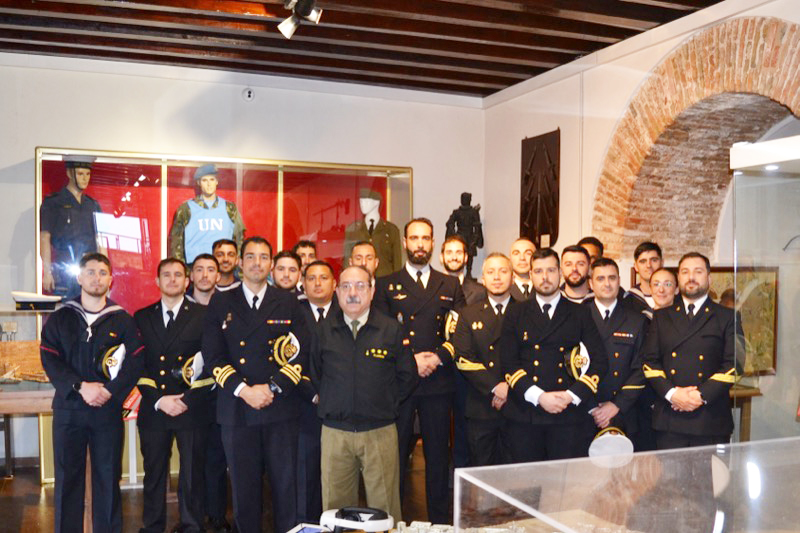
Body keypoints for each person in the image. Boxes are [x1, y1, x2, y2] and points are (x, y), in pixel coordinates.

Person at [202, 236, 312, 533]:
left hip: (280, 408)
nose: (257, 263)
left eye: (264, 257)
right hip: (237, 409)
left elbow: (301, 352)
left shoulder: (288, 301)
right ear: (240, 262)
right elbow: (213, 355)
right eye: (250, 257)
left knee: (286, 489)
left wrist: (272, 387)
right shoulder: (221, 301)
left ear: (271, 264)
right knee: (244, 490)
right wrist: (245, 390)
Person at [40, 252, 144, 533]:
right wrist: (80, 386)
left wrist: (110, 391)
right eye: (90, 272)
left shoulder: (122, 320)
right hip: (69, 409)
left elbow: (136, 361)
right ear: (79, 277)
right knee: (67, 481)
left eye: (102, 273)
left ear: (110, 280)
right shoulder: (61, 317)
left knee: (108, 479)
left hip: (106, 411)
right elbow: (49, 357)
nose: (96, 278)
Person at [373, 217, 465, 525]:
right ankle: (393, 522)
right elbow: (382, 334)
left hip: (438, 381)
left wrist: (438, 358)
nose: (420, 244)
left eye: (425, 238)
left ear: (433, 242)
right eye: (414, 238)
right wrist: (412, 362)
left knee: (437, 457)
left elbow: (460, 332)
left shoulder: (449, 284)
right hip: (401, 381)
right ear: (404, 243)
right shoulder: (386, 284)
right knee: (396, 456)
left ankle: (439, 523)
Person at [312, 265, 417, 522]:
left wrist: (384, 404)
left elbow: (407, 376)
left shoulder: (391, 329)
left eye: (360, 286)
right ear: (337, 292)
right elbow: (315, 373)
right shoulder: (324, 330)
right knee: (336, 511)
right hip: (336, 433)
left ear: (372, 291)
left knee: (385, 509)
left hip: (379, 432)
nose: (352, 293)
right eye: (346, 286)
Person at [499, 248, 608, 462]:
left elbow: (600, 362)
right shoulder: (515, 312)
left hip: (568, 414)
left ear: (560, 273)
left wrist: (570, 396)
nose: (545, 277)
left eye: (550, 270)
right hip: (526, 413)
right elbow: (508, 363)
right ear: (531, 275)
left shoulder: (580, 313)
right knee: (528, 480)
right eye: (539, 271)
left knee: (565, 480)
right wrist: (539, 397)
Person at [134, 258, 214, 533]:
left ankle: (192, 526)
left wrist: (186, 400)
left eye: (178, 275)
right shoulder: (142, 317)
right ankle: (152, 526)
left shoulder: (204, 315)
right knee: (154, 473)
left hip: (191, 407)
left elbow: (212, 362)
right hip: (155, 408)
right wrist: (159, 400)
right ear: (157, 281)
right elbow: (137, 365)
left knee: (192, 474)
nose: (172, 279)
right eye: (166, 275)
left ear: (187, 281)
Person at [641, 252, 740, 449]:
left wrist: (699, 396)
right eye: (685, 272)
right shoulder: (662, 317)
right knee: (669, 471)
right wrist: (672, 394)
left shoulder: (727, 317)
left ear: (709, 278)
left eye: (698, 271)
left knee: (710, 471)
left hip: (710, 418)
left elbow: (735, 364)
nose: (691, 277)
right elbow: (649, 362)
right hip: (670, 418)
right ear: (679, 278)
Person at [452, 253, 519, 466]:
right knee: (482, 470)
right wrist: (495, 387)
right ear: (483, 279)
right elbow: (463, 358)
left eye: (503, 271)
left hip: (517, 404)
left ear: (513, 277)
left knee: (515, 472)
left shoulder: (525, 311)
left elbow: (531, 357)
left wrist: (509, 388)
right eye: (491, 272)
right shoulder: (468, 314)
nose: (497, 277)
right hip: (481, 405)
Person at [184, 252, 231, 531]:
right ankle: (193, 516)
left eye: (210, 270)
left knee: (217, 457)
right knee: (193, 460)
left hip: (220, 393)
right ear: (191, 275)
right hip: (188, 397)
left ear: (218, 275)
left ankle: (217, 514)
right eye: (199, 269)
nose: (204, 275)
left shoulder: (228, 305)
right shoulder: (181, 306)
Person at [584, 258, 648, 448]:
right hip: (586, 412)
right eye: (600, 278)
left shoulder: (637, 320)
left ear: (619, 281)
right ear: (591, 283)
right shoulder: (577, 316)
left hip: (624, 411)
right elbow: (567, 365)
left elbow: (642, 367)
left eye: (612, 278)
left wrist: (616, 404)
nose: (607, 283)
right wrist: (593, 407)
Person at [295, 260, 338, 523]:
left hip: (340, 407)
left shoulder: (347, 312)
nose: (318, 283)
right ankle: (307, 524)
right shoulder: (293, 313)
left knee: (338, 474)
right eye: (311, 278)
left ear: (334, 284)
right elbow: (286, 360)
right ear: (303, 284)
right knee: (306, 472)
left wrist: (332, 395)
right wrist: (312, 393)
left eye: (324, 278)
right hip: (304, 404)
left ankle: (335, 523)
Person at [40, 155, 105, 298]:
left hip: (90, 271)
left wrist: (103, 272)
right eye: (80, 174)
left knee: (91, 307)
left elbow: (100, 239)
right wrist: (47, 272)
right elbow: (44, 237)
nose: (85, 178)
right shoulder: (53, 203)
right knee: (66, 309)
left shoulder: (92, 205)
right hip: (65, 270)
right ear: (69, 173)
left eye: (88, 174)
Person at [169, 165, 246, 265]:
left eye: (212, 179)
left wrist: (237, 264)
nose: (209, 184)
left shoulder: (230, 208)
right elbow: (176, 243)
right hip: (195, 266)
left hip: (224, 266)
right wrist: (182, 268)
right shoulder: (186, 209)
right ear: (198, 183)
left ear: (217, 181)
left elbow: (239, 238)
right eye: (204, 180)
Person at [343, 188, 403, 278]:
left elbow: (397, 261)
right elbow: (347, 260)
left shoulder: (391, 230)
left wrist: (396, 282)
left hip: (385, 280)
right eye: (361, 201)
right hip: (359, 279)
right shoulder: (353, 229)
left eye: (366, 201)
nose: (362, 204)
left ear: (376, 203)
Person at [445, 192, 484, 278]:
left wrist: (475, 237)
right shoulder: (457, 212)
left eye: (467, 199)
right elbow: (450, 223)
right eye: (463, 199)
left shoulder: (473, 212)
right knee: (459, 253)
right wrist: (453, 233)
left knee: (470, 254)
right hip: (460, 236)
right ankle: (459, 270)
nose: (465, 201)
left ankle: (469, 272)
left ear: (470, 200)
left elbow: (477, 226)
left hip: (470, 236)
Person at [441, 235, 487, 306]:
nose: (454, 257)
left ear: (466, 258)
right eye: (449, 253)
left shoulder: (480, 292)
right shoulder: (430, 289)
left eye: (459, 253)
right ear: (441, 257)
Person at [628, 242, 664, 310]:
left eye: (654, 260)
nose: (648, 265)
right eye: (643, 261)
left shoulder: (672, 298)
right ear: (636, 266)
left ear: (662, 263)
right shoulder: (628, 300)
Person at [509, 238, 536, 302]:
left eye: (528, 253)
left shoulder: (544, 288)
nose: (522, 258)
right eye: (516, 253)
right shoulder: (503, 288)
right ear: (509, 258)